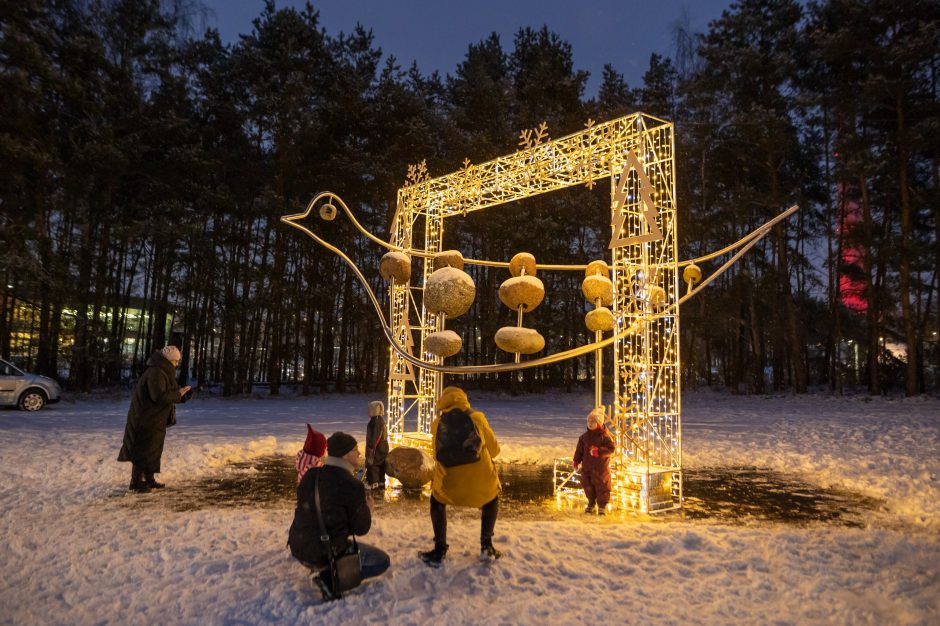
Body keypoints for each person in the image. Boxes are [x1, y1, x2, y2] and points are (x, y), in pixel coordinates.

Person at [288, 432, 391, 600]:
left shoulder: (310, 475)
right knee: (381, 561)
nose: (359, 453)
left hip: (299, 545)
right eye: (355, 449)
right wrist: (367, 509)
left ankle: (321, 565)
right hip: (323, 549)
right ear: (345, 454)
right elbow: (361, 528)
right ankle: (329, 577)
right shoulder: (352, 485)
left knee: (328, 533)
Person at [420, 386, 501, 566]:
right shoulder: (477, 418)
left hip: (449, 487)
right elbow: (495, 451)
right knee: (492, 499)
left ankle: (439, 549)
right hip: (481, 485)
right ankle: (486, 546)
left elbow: (436, 456)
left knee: (436, 501)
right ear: (464, 399)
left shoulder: (437, 424)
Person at [118, 345, 191, 492]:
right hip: (146, 419)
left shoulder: (163, 372)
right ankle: (137, 483)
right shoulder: (156, 372)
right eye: (175, 361)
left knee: (152, 449)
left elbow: (167, 393)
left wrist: (181, 396)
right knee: (143, 450)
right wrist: (178, 394)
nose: (176, 365)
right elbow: (158, 396)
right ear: (169, 361)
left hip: (154, 419)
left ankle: (149, 479)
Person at [573, 407, 616, 515]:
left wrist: (599, 451)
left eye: (593, 421)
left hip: (601, 468)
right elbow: (579, 451)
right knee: (588, 485)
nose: (590, 423)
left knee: (602, 486)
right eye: (589, 421)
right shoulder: (584, 438)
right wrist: (576, 460)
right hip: (587, 468)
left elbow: (611, 449)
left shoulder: (605, 437)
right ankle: (591, 503)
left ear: (599, 423)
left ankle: (602, 505)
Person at [364, 401, 389, 489]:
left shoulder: (376, 421)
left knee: (373, 464)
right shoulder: (378, 420)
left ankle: (373, 482)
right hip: (382, 446)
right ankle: (380, 481)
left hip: (377, 448)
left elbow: (376, 436)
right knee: (380, 463)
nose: (368, 411)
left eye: (370, 409)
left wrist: (371, 447)